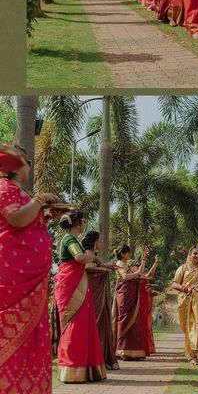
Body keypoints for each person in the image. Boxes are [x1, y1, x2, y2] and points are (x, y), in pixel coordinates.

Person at [0, 144, 58, 394]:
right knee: (10, 330)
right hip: (13, 277)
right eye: (26, 162)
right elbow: (16, 219)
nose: (29, 167)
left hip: (28, 280)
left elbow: (26, 220)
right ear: (14, 165)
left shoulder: (16, 190)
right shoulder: (3, 187)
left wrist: (43, 213)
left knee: (30, 336)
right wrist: (37, 201)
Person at [54, 210, 106, 383]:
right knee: (74, 326)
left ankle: (83, 368)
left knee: (82, 326)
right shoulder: (69, 239)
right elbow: (79, 257)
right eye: (84, 221)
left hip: (76, 285)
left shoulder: (72, 239)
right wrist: (95, 259)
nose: (85, 223)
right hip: (70, 288)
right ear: (78, 223)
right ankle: (71, 367)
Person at [81, 231, 120, 371]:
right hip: (92, 295)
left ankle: (101, 358)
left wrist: (108, 266)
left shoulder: (93, 256)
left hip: (98, 296)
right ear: (94, 242)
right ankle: (93, 359)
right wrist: (103, 269)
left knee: (102, 325)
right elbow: (87, 268)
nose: (102, 242)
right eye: (100, 240)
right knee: (95, 325)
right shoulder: (86, 255)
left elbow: (99, 265)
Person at [112, 244, 149, 360]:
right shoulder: (119, 263)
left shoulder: (126, 264)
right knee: (124, 320)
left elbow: (140, 271)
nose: (130, 254)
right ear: (122, 254)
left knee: (134, 321)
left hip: (131, 294)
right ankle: (121, 351)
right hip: (124, 295)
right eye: (128, 252)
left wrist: (144, 258)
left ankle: (133, 351)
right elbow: (125, 277)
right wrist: (137, 274)